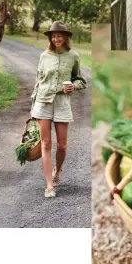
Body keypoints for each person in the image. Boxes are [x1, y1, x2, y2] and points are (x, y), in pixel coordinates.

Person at [31, 20, 87, 198]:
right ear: (50, 38)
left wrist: (73, 86)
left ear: (65, 37)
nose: (56, 38)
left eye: (59, 36)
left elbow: (81, 80)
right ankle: (49, 185)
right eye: (53, 36)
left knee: (62, 145)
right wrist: (33, 106)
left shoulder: (74, 56)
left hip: (62, 102)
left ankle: (58, 172)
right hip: (43, 102)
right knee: (46, 144)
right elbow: (38, 81)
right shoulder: (44, 56)